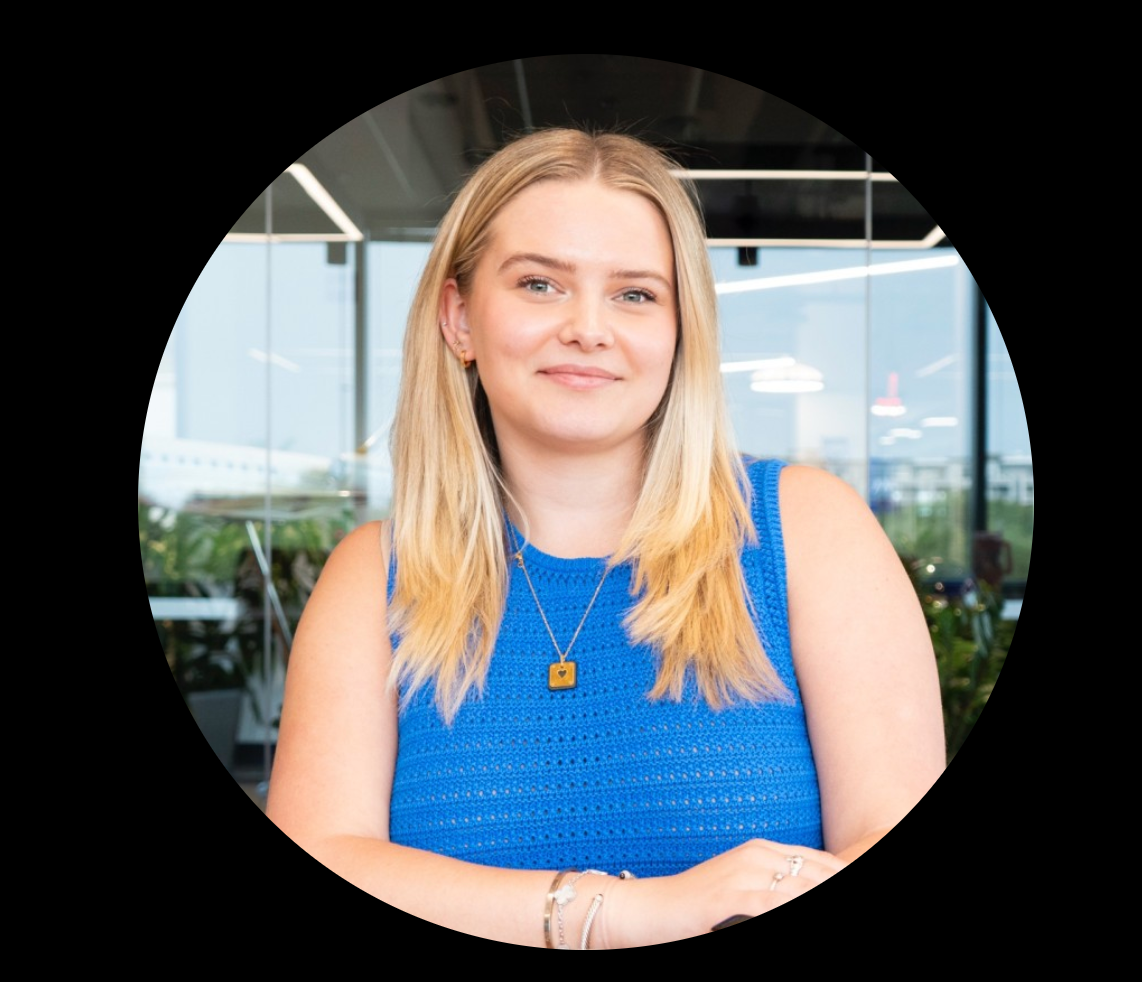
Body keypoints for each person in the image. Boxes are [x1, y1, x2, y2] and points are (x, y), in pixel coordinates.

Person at [265, 128, 946, 947]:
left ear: (678, 332)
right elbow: (324, 852)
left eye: (635, 294)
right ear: (459, 318)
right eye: (540, 283)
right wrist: (624, 913)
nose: (588, 328)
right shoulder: (374, 576)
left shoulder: (806, 530)